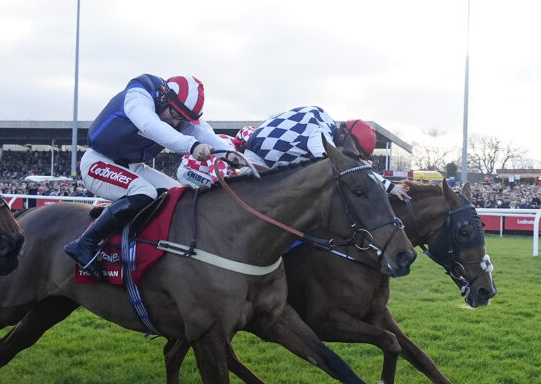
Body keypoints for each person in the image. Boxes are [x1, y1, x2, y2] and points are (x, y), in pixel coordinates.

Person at [63, 74, 239, 279]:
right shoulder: (138, 96)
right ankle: (84, 243)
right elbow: (150, 125)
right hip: (98, 161)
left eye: (181, 119)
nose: (176, 122)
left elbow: (203, 132)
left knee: (179, 195)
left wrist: (229, 153)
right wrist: (191, 146)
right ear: (164, 98)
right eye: (175, 115)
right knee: (144, 192)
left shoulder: (175, 109)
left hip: (133, 167)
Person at [243, 106, 411, 201]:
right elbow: (345, 168)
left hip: (269, 158)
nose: (351, 156)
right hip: (257, 163)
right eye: (354, 151)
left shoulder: (325, 123)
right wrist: (391, 186)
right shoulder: (319, 135)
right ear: (346, 139)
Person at [176, 126, 256, 188]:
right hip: (187, 173)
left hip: (197, 172)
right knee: (217, 191)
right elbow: (218, 177)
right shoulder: (227, 146)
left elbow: (231, 174)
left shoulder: (230, 144)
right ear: (242, 143)